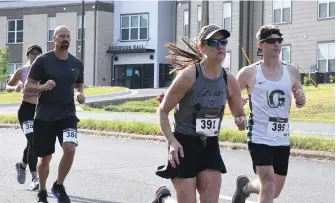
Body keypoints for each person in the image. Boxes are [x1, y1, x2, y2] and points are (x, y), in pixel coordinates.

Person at [152, 24, 247, 203]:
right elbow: (163, 111)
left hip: (210, 145)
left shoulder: (229, 80)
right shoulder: (189, 76)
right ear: (202, 47)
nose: (220, 46)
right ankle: (163, 199)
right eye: (213, 42)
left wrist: (241, 120)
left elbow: (239, 114)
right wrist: (172, 141)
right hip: (183, 145)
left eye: (223, 41)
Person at [231, 25, 306, 203]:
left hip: (281, 137)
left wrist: (300, 99)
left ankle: (245, 188)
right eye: (271, 41)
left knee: (274, 190)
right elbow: (231, 95)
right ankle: (248, 187)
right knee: (268, 183)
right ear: (260, 45)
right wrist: (238, 108)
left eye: (279, 40)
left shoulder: (292, 71)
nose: (276, 44)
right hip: (259, 135)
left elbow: (300, 102)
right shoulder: (249, 72)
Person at [24, 25, 85, 203]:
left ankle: (58, 185)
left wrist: (80, 94)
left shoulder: (76, 63)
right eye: (61, 36)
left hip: (68, 114)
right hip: (45, 116)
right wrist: (42, 87)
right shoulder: (43, 61)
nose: (65, 39)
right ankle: (42, 191)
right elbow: (28, 85)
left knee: (70, 149)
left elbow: (78, 84)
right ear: (54, 39)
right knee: (45, 158)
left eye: (68, 36)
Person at [6, 44, 42, 191]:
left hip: (40, 111)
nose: (35, 56)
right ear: (28, 55)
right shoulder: (22, 71)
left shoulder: (44, 72)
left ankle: (21, 165)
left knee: (33, 142)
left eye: (38, 54)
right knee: (33, 141)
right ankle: (35, 177)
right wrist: (15, 88)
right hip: (26, 110)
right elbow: (8, 86)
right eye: (32, 54)